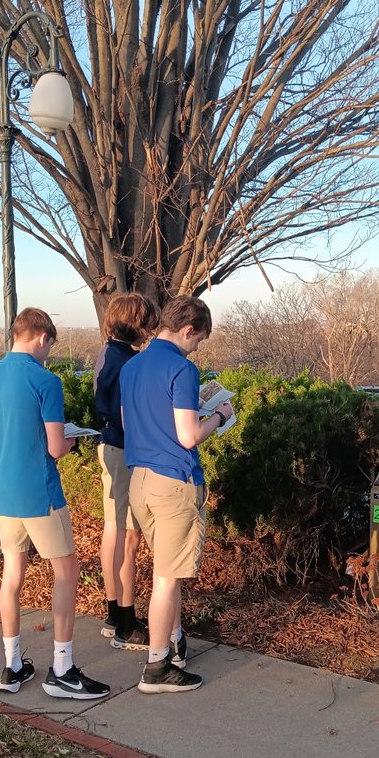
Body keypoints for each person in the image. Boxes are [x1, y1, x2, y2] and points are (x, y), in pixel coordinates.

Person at [0, 307, 110, 701]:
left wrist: (13, 433)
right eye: (50, 346)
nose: (48, 353)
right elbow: (55, 449)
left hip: (4, 496)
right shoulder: (46, 380)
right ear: (43, 338)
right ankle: (62, 669)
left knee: (12, 575)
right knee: (66, 573)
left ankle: (12, 665)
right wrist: (72, 439)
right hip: (40, 494)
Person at [120, 296, 233, 694]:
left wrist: (192, 404)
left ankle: (173, 643)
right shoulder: (182, 369)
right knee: (167, 578)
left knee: (166, 570)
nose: (197, 348)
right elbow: (187, 436)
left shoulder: (132, 366)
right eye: (198, 340)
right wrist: (218, 417)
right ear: (188, 330)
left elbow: (130, 420)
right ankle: (157, 668)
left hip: (140, 481)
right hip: (174, 484)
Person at [93, 292, 160, 649]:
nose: (150, 331)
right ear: (135, 322)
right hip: (123, 448)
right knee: (127, 537)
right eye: (147, 322)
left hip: (109, 445)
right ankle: (126, 621)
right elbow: (126, 415)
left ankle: (113, 613)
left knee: (114, 530)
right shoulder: (127, 363)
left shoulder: (107, 352)